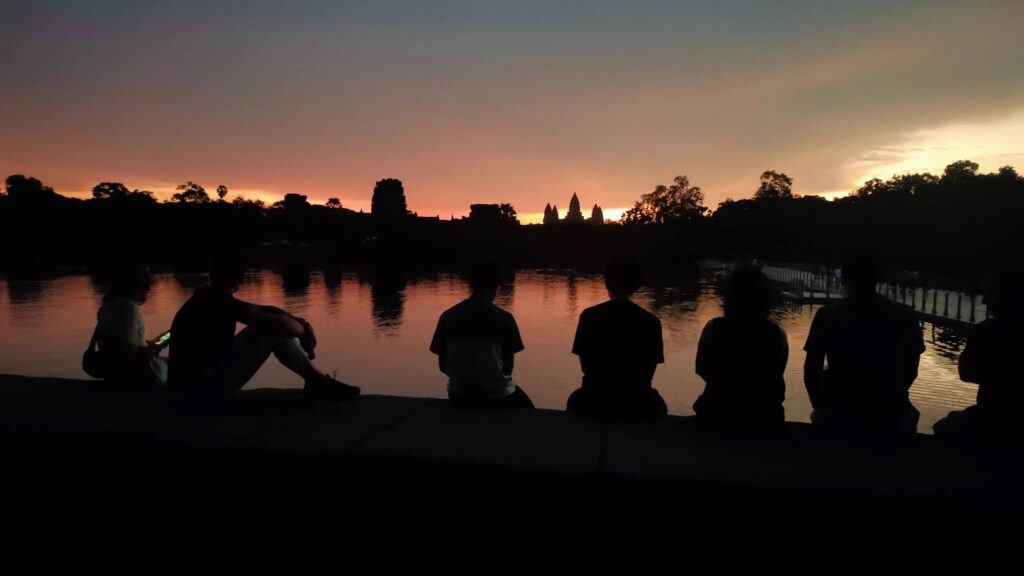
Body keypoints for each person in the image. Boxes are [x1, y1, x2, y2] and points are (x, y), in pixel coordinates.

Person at [167, 252, 358, 400]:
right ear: (240, 279)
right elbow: (277, 323)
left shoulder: (209, 298)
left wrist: (302, 323)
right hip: (197, 392)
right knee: (271, 331)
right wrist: (303, 331)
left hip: (194, 384)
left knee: (268, 326)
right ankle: (316, 382)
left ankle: (315, 381)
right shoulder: (218, 302)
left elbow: (264, 311)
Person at [803, 252, 924, 439]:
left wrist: (820, 404)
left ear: (845, 278)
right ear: (878, 278)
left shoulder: (828, 315)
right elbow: (911, 371)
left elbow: (811, 370)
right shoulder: (906, 316)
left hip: (840, 412)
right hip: (892, 415)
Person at [567, 255, 667, 420]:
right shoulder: (651, 322)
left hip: (593, 399)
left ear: (607, 283)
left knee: (575, 400)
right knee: (658, 406)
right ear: (637, 285)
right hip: (637, 402)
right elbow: (648, 372)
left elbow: (586, 366)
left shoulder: (589, 316)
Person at [934, 267, 1024, 444]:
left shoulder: (987, 331)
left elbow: (967, 374)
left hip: (993, 418)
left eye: (990, 294)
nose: (984, 300)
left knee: (943, 427)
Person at [429, 258, 532, 409]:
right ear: (496, 285)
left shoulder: (448, 316)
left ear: (471, 284)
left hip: (459, 394)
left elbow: (443, 366)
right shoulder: (505, 319)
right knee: (528, 408)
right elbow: (507, 369)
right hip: (496, 396)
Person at [694, 266, 787, 430]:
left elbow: (701, 368)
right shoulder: (777, 334)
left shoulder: (714, 328)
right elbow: (778, 370)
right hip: (765, 415)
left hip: (718, 410)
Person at [91, 259, 168, 388]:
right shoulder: (128, 308)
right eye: (146, 278)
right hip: (135, 375)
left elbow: (119, 343)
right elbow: (125, 353)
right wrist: (154, 348)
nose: (150, 283)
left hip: (116, 372)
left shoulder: (107, 305)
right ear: (134, 282)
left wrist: (150, 345)